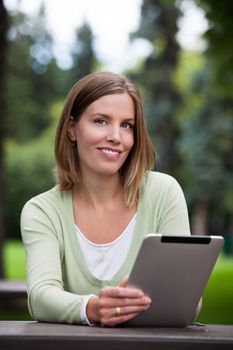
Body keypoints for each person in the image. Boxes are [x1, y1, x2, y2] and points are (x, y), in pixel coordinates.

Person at [21, 71, 191, 327]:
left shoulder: (163, 193)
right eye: (101, 121)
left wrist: (123, 306)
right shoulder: (42, 211)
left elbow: (189, 300)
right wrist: (94, 309)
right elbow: (41, 296)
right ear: (72, 129)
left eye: (126, 125)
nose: (116, 136)